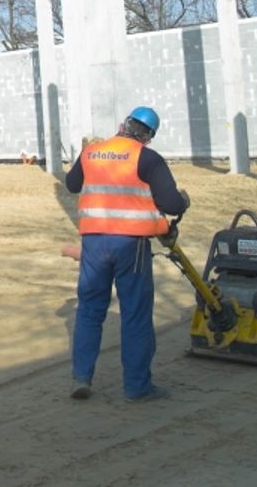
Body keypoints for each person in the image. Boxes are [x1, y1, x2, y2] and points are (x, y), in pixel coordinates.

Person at [64, 106, 190, 403]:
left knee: (89, 311)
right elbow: (171, 203)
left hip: (94, 244)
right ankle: (137, 387)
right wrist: (183, 200)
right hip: (130, 247)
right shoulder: (147, 158)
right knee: (135, 315)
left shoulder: (92, 152)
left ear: (123, 124)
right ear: (148, 137)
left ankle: (81, 377)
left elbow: (72, 185)